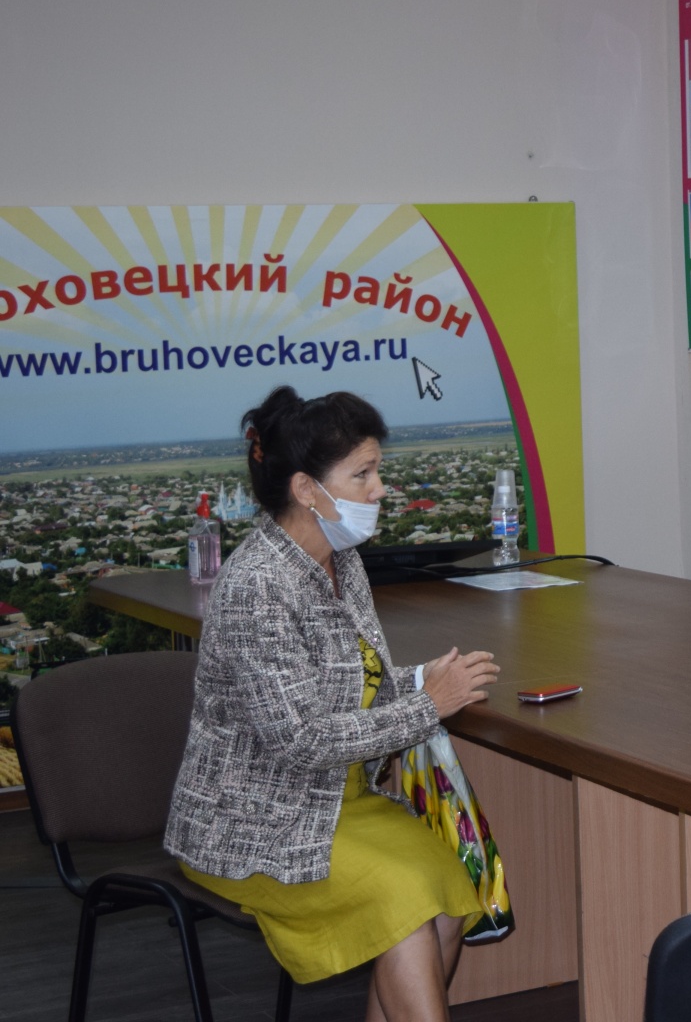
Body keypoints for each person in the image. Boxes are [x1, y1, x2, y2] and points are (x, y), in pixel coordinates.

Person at [164, 387, 501, 1020]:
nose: (380, 489)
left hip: (340, 802)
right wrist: (429, 704)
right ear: (306, 489)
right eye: (363, 474)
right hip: (256, 822)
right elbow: (301, 740)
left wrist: (422, 679)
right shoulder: (256, 586)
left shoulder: (340, 562)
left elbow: (353, 682)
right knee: (404, 903)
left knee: (451, 894)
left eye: (377, 471)